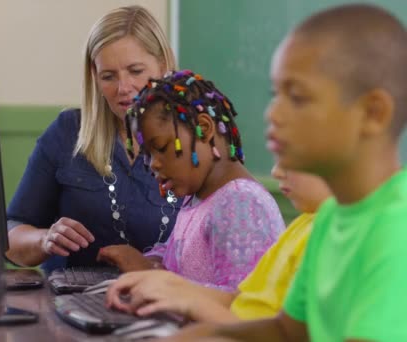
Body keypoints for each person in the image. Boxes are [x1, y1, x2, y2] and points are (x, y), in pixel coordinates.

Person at [161, 4, 407, 341]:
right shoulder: (330, 216)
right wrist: (209, 334)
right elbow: (287, 331)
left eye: (297, 97)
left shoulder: (396, 230)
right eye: (275, 95)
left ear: (373, 113)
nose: (272, 113)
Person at [5, 6, 180, 273]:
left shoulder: (194, 145)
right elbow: (11, 231)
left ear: (164, 66)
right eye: (108, 76)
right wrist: (43, 239)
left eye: (135, 71)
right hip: (70, 305)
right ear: (94, 77)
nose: (123, 88)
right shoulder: (67, 132)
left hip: (159, 306)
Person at [97, 70, 284, 291]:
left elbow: (241, 305)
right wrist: (149, 262)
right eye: (148, 155)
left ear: (204, 129)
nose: (153, 164)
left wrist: (150, 275)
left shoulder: (241, 203)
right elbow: (174, 256)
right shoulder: (197, 198)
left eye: (161, 149)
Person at [104, 163, 331, 323]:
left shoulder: (242, 200)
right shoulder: (304, 225)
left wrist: (192, 303)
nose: (276, 171)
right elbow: (241, 300)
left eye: (294, 156)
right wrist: (170, 286)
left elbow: (274, 333)